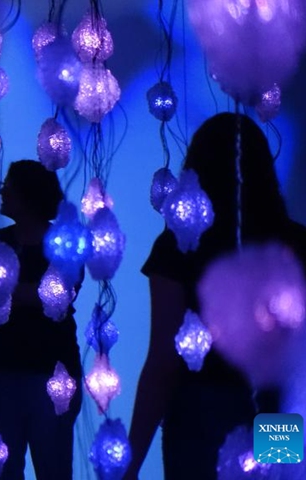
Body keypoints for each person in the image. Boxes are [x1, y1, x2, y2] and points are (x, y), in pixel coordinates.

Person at [124, 113, 306, 479]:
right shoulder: (295, 244)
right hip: (277, 410)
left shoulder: (180, 247)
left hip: (199, 409)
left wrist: (129, 467)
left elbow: (163, 360)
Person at [0, 160, 83, 480]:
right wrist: (29, 293)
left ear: (29, 195)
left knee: (53, 469)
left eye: (10, 185)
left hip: (52, 377)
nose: (2, 190)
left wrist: (6, 291)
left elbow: (59, 294)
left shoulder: (62, 243)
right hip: (2, 374)